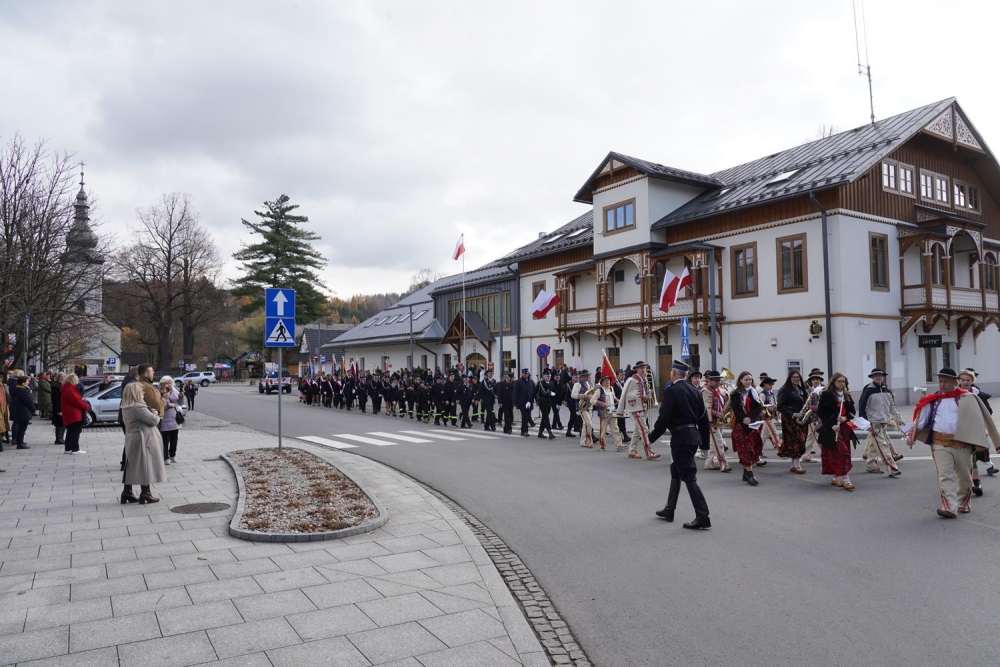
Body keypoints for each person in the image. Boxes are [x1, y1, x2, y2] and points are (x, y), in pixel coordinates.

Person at [908, 367, 1000, 517]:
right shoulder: (933, 399)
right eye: (940, 381)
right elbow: (921, 420)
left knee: (964, 477)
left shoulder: (967, 398)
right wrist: (912, 436)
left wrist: (978, 440)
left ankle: (963, 502)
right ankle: (949, 507)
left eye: (945, 381)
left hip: (962, 443)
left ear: (954, 382)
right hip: (939, 443)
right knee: (945, 475)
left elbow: (977, 421)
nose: (942, 384)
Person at [648, 360, 712, 530]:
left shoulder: (672, 390)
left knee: (689, 475)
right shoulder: (695, 391)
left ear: (673, 373)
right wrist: (705, 444)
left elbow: (664, 417)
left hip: (681, 437)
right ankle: (669, 509)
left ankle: (702, 515)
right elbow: (704, 419)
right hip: (693, 437)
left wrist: (651, 437)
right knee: (676, 470)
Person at [120, 382, 167, 505]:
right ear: (136, 393)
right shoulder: (138, 406)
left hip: (133, 437)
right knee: (145, 465)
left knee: (132, 465)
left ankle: (127, 491)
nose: (143, 393)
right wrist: (155, 414)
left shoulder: (126, 405)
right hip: (143, 438)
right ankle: (146, 493)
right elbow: (154, 420)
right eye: (141, 391)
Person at [858, 368, 903, 477]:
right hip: (874, 422)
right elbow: (862, 407)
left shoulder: (887, 390)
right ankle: (892, 467)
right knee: (883, 445)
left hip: (884, 422)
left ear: (883, 377)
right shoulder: (868, 390)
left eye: (880, 375)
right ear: (872, 377)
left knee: (874, 445)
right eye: (876, 375)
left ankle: (871, 465)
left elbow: (892, 407)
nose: (878, 377)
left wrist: (899, 419)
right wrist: (865, 423)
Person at [817, 372, 857, 491]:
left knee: (839, 453)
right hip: (832, 429)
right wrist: (831, 425)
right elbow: (821, 413)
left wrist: (846, 418)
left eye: (843, 381)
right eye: (839, 381)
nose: (841, 383)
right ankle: (846, 479)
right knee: (841, 452)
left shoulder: (847, 395)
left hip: (844, 429)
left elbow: (852, 411)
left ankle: (835, 477)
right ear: (833, 382)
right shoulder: (827, 394)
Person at [617, 362, 659, 460]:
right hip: (636, 407)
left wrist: (649, 396)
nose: (643, 370)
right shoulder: (632, 380)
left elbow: (644, 391)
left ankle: (632, 451)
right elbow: (628, 395)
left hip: (644, 406)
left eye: (644, 368)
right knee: (644, 429)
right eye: (641, 368)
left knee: (637, 430)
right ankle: (649, 452)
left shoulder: (644, 379)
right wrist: (643, 396)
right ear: (637, 369)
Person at [730, 371, 764, 485]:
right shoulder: (735, 393)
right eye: (746, 379)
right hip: (741, 425)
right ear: (740, 380)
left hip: (752, 424)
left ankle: (746, 472)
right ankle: (750, 474)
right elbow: (737, 410)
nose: (748, 381)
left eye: (750, 379)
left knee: (753, 448)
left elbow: (758, 407)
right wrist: (745, 419)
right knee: (746, 449)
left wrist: (751, 418)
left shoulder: (753, 392)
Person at [776, 369, 809, 473]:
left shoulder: (801, 389)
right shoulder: (784, 390)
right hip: (790, 420)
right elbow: (780, 406)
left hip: (802, 418)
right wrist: (794, 414)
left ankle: (794, 465)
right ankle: (797, 465)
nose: (796, 379)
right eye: (793, 377)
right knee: (797, 441)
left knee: (801, 441)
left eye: (797, 377)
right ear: (789, 378)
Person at [700, 371, 730, 471]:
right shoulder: (706, 390)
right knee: (719, 443)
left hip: (719, 420)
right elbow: (706, 407)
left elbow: (724, 400)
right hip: (712, 421)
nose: (718, 382)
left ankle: (708, 464)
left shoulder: (718, 389)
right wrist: (717, 413)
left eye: (719, 380)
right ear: (709, 380)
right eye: (715, 380)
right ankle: (723, 464)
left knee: (714, 443)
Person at [60, 374, 91, 455]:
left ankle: (68, 448)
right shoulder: (71, 391)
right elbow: (78, 402)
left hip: (70, 414)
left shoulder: (66, 389)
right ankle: (75, 449)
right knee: (75, 432)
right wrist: (87, 406)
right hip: (75, 414)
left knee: (70, 431)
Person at [158, 375, 185, 464]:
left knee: (174, 439)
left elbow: (180, 403)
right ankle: (166, 457)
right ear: (162, 384)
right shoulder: (159, 392)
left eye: (169, 383)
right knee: (165, 440)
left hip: (174, 418)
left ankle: (173, 454)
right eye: (166, 383)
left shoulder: (174, 390)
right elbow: (158, 405)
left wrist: (181, 396)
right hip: (164, 418)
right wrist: (168, 405)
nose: (168, 385)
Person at [594, 374, 622, 451]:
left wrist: (617, 400)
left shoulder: (611, 389)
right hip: (604, 413)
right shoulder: (599, 390)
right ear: (602, 382)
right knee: (603, 430)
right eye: (605, 380)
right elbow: (592, 400)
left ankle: (619, 445)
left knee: (615, 429)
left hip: (612, 411)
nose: (608, 381)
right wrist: (600, 403)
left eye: (608, 380)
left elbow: (613, 397)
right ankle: (602, 445)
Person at [9, 376, 35, 449]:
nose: (28, 382)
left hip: (18, 410)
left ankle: (20, 442)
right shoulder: (22, 391)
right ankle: (20, 443)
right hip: (23, 411)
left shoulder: (17, 389)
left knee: (21, 427)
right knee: (22, 428)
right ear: (23, 383)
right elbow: (27, 401)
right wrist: (33, 409)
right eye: (27, 381)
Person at [571, 370, 595, 448]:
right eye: (585, 376)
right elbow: (573, 395)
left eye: (588, 375)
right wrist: (583, 396)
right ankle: (588, 440)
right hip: (582, 407)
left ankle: (583, 441)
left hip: (590, 406)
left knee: (585, 425)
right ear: (581, 377)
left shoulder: (591, 384)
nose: (587, 377)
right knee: (589, 423)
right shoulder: (578, 384)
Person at [535, 369, 558, 439]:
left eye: (549, 376)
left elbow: (555, 391)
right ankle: (550, 432)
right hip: (542, 402)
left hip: (549, 402)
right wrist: (537, 400)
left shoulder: (551, 383)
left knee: (544, 417)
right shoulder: (540, 383)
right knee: (546, 417)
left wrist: (554, 394)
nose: (549, 377)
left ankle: (540, 432)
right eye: (547, 376)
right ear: (544, 376)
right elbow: (535, 392)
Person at [513, 368, 535, 437]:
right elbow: (515, 392)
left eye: (527, 374)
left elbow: (534, 391)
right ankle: (525, 431)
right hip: (522, 402)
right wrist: (515, 402)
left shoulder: (531, 382)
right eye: (525, 374)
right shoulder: (518, 382)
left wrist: (537, 399)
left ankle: (523, 430)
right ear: (522, 374)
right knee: (525, 416)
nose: (526, 375)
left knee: (527, 416)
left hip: (529, 402)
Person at [50, 372, 66, 445]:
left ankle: (61, 438)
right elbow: (56, 399)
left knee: (63, 423)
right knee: (59, 423)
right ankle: (58, 439)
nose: (63, 378)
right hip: (58, 407)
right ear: (58, 377)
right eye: (62, 376)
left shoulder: (62, 385)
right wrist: (58, 410)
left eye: (64, 376)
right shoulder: (56, 386)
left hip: (63, 407)